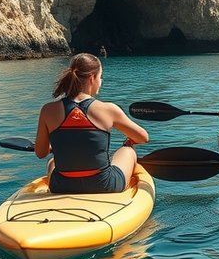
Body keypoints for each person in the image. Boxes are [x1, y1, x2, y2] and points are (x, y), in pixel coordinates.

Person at [35, 53, 149, 194]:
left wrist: (57, 145)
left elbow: (41, 153)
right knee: (127, 151)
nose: (100, 81)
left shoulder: (48, 110)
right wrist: (128, 143)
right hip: (104, 185)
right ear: (92, 78)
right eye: (100, 77)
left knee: (52, 162)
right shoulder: (108, 109)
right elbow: (143, 137)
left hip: (62, 186)